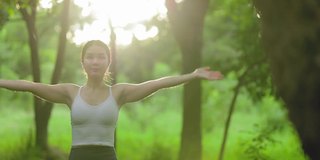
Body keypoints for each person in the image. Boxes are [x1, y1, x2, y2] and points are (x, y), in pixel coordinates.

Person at [0, 40, 223, 160]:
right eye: (90, 57)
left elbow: (157, 83)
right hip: (78, 156)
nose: (95, 61)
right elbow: (29, 86)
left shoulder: (118, 93)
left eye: (100, 56)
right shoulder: (70, 92)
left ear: (108, 61)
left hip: (107, 156)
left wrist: (193, 75)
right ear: (83, 62)